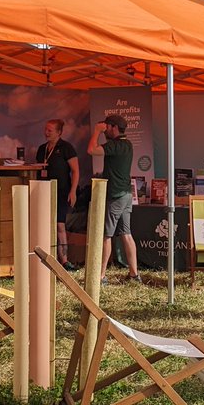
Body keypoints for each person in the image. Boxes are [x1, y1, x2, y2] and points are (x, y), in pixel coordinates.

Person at [87, 114, 139, 283]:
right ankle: (134, 274)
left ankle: (101, 276)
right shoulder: (128, 145)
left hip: (115, 196)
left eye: (107, 127)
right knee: (126, 233)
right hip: (126, 194)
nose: (105, 131)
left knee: (106, 235)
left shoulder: (114, 145)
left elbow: (91, 150)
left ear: (114, 127)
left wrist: (95, 131)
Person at [37, 118, 80, 270]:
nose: (46, 133)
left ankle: (64, 261)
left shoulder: (67, 148)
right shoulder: (42, 149)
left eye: (50, 130)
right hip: (43, 191)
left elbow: (75, 171)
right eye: (45, 129)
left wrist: (73, 191)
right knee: (43, 224)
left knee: (59, 225)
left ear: (59, 133)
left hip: (61, 192)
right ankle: (44, 258)